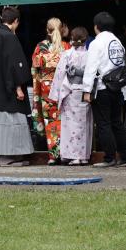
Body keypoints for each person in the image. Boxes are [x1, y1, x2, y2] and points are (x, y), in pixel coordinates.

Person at [83, 11, 126, 168]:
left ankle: (109, 158)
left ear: (96, 27)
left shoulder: (96, 43)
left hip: (102, 87)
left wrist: (86, 90)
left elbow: (91, 67)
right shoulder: (118, 42)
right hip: (117, 87)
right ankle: (125, 157)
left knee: (103, 123)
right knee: (117, 122)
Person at [0, 7, 34, 166]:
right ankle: (7, 157)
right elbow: (15, 65)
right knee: (11, 121)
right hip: (8, 90)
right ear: (16, 21)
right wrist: (18, 87)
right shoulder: (9, 37)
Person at [50, 26, 92, 165]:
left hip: (70, 91)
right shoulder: (90, 55)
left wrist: (55, 94)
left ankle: (71, 155)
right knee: (84, 125)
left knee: (71, 126)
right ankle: (83, 156)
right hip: (85, 92)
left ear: (72, 39)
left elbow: (60, 74)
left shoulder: (67, 54)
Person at [31, 18, 70, 165]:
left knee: (50, 123)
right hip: (65, 90)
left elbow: (35, 71)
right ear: (62, 30)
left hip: (47, 90)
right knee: (66, 122)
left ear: (47, 30)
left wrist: (38, 89)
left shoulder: (40, 47)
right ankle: (67, 154)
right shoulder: (67, 47)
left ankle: (53, 156)